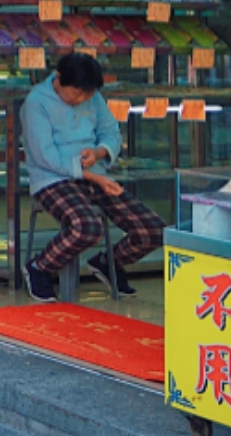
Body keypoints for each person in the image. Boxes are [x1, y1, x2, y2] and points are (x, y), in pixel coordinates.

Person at [21, 52, 164, 301]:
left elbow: (111, 133)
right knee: (87, 227)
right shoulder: (36, 102)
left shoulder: (92, 96)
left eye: (86, 95)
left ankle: (109, 263)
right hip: (52, 179)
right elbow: (46, 157)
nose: (81, 100)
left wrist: (99, 153)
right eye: (76, 94)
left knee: (153, 229)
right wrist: (93, 177)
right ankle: (39, 267)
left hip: (95, 173)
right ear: (58, 78)